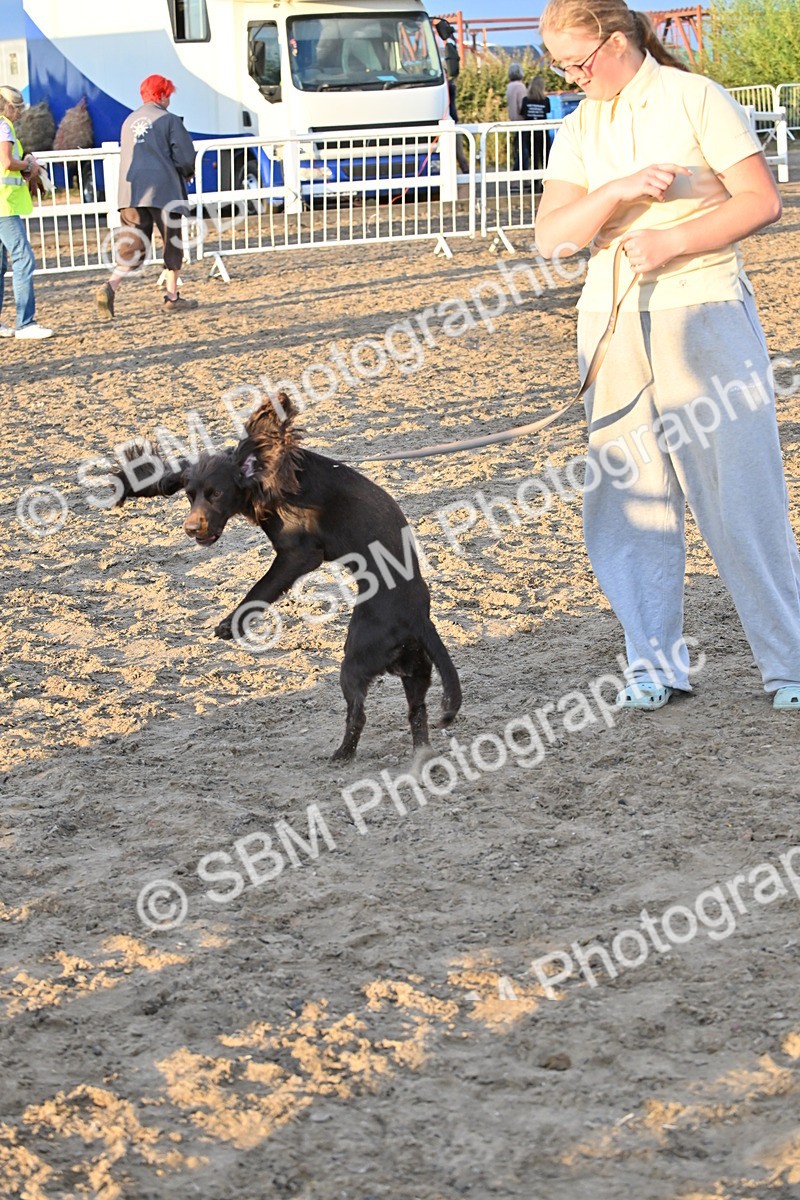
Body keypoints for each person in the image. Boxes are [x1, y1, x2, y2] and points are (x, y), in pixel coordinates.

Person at [534, 0, 800, 712]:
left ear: (618, 43)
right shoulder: (580, 127)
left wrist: (673, 240)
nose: (568, 76)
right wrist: (617, 191)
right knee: (628, 498)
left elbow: (761, 200)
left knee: (740, 491)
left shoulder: (696, 98)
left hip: (705, 307)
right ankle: (653, 664)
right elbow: (553, 238)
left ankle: (790, 664)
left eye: (578, 62)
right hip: (611, 319)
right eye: (558, 64)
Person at [96, 74, 198, 319]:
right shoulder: (169, 120)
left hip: (130, 193)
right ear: (161, 95)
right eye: (168, 96)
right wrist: (187, 172)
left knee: (133, 244)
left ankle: (110, 286)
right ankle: (172, 297)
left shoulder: (128, 120)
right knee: (172, 241)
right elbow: (184, 155)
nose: (170, 101)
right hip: (163, 190)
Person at [0, 85, 53, 339]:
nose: (19, 114)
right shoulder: (4, 126)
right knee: (24, 259)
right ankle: (25, 323)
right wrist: (29, 164)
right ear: (8, 106)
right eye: (18, 108)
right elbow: (7, 162)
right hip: (5, 206)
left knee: (1, 265)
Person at [433, 18, 469, 174]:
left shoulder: (450, 87)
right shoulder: (449, 86)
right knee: (455, 153)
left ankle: (466, 174)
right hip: (451, 120)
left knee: (458, 153)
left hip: (452, 120)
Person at [519, 76, 551, 187]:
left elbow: (522, 112)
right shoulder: (545, 100)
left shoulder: (525, 100)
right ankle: (546, 182)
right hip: (542, 132)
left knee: (533, 158)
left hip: (530, 133)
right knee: (545, 158)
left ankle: (534, 182)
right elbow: (548, 110)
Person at [506, 63, 529, 174]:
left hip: (513, 120)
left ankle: (519, 176)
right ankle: (519, 175)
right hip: (522, 121)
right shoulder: (520, 86)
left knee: (519, 148)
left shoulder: (509, 86)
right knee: (524, 150)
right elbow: (522, 105)